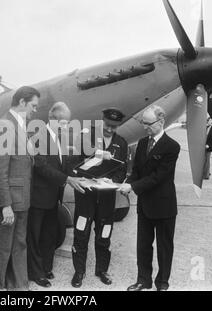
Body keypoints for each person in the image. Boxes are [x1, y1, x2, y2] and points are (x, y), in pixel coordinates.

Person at [118, 105, 180, 291]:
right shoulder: (143, 143)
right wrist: (127, 183)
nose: (145, 127)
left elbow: (158, 177)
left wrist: (133, 186)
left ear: (161, 122)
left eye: (148, 123)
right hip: (145, 205)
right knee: (143, 245)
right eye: (143, 123)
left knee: (164, 247)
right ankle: (143, 280)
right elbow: (136, 171)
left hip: (164, 206)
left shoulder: (172, 147)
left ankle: (162, 283)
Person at [0, 86, 40, 291]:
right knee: (3, 247)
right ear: (22, 102)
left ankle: (18, 287)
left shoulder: (20, 125)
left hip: (21, 198)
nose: (35, 110)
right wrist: (5, 205)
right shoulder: (4, 125)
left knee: (19, 245)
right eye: (33, 105)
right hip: (9, 200)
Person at [27, 102, 86, 288]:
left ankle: (46, 267)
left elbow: (62, 164)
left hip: (53, 196)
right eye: (63, 122)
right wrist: (67, 179)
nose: (66, 126)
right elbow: (41, 166)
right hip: (39, 196)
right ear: (52, 119)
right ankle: (35, 273)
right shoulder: (39, 137)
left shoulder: (57, 137)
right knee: (34, 237)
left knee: (49, 235)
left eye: (67, 122)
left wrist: (82, 164)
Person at [70, 108, 128, 288]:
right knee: (81, 233)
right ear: (102, 120)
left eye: (115, 126)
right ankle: (79, 271)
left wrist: (113, 180)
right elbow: (74, 162)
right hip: (86, 194)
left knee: (104, 233)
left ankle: (101, 270)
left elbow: (122, 170)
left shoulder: (121, 143)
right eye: (108, 125)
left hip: (106, 196)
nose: (110, 129)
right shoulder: (86, 137)